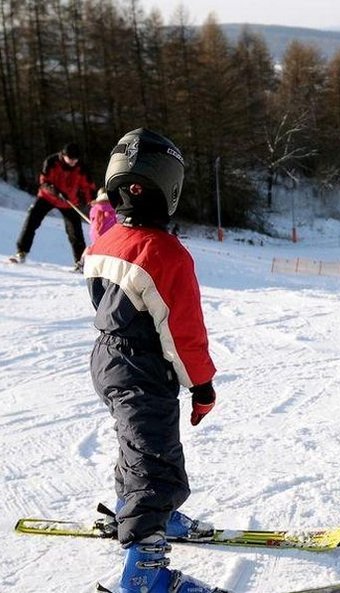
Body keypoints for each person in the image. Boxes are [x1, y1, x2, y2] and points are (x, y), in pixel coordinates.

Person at [84, 128, 221, 593]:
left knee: (137, 443)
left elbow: (103, 303)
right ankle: (145, 574)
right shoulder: (167, 255)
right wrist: (201, 387)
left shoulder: (103, 242)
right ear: (170, 188)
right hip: (143, 369)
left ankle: (143, 511)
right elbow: (184, 335)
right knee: (156, 463)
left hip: (106, 360)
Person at [10, 142, 97, 270]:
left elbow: (88, 187)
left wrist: (93, 203)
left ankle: (80, 263)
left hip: (69, 202)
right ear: (63, 155)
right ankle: (21, 252)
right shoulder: (51, 161)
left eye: (76, 159)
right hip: (47, 197)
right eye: (71, 159)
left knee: (75, 233)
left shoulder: (81, 167)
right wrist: (53, 191)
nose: (73, 162)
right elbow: (43, 181)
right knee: (31, 221)